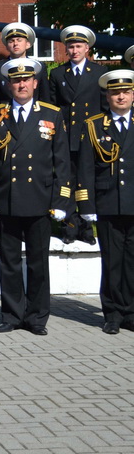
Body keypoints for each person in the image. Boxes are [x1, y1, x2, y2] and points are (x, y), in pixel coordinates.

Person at [0, 58, 71, 336]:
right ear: (8, 85)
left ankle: (36, 317)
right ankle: (11, 315)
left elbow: (62, 163)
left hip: (39, 199)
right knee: (8, 262)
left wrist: (60, 201)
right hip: (6, 198)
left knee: (37, 262)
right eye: (15, 80)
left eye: (26, 80)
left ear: (35, 83)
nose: (21, 84)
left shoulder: (52, 114)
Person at [76, 69, 134, 334]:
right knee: (111, 261)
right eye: (115, 93)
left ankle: (130, 313)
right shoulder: (94, 125)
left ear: (133, 94)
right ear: (107, 96)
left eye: (125, 92)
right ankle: (112, 313)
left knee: (132, 261)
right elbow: (86, 169)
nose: (120, 97)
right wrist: (86, 207)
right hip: (108, 202)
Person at [48, 25, 107, 245]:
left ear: (87, 48)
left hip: (90, 137)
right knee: (67, 182)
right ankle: (70, 226)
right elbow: (54, 107)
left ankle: (87, 227)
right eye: (71, 46)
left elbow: (103, 108)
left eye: (79, 46)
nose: (74, 50)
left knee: (88, 182)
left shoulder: (99, 73)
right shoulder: (57, 73)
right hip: (67, 136)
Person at [0, 22, 49, 108]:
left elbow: (45, 100)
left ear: (27, 44)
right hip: (5, 117)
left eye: (19, 40)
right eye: (11, 41)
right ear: (6, 46)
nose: (15, 44)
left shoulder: (39, 68)